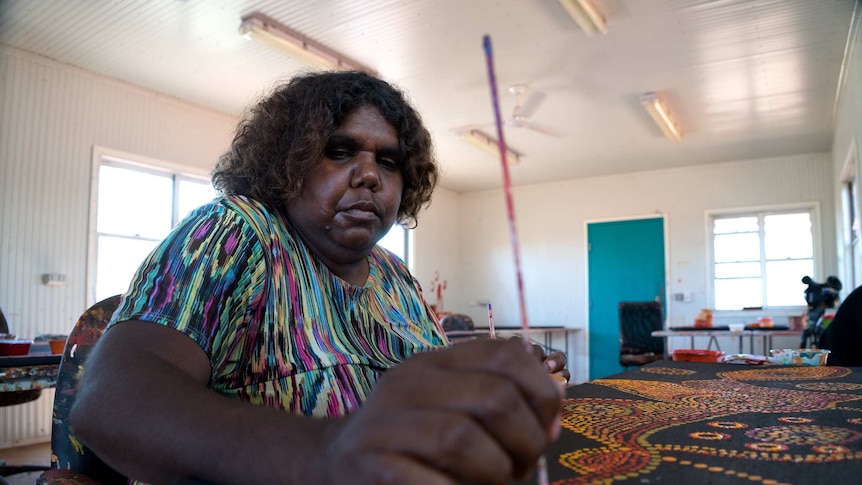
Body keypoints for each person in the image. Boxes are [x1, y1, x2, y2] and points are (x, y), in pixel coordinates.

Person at [71, 71, 568, 485]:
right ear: (289, 161)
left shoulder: (396, 277)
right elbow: (107, 400)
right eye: (340, 151)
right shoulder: (238, 234)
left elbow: (418, 391)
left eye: (389, 161)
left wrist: (492, 380)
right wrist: (324, 451)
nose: (369, 174)